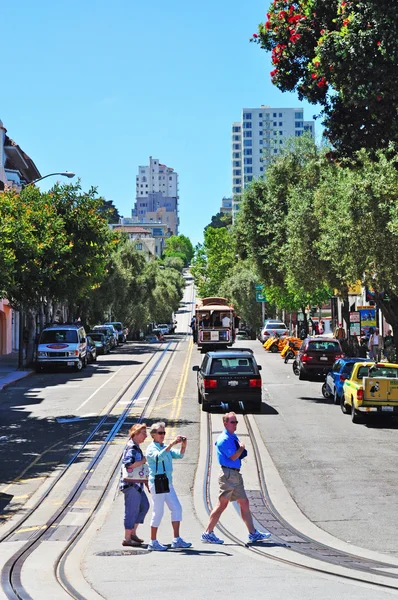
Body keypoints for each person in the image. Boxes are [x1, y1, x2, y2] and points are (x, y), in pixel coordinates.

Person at [201, 412, 271, 545]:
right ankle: (208, 532)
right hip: (228, 475)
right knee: (222, 504)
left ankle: (253, 533)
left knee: (244, 503)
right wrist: (242, 447)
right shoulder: (224, 439)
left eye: (236, 422)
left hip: (235, 475)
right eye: (232, 422)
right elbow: (233, 456)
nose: (235, 425)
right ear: (225, 423)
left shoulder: (232, 436)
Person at [146, 422, 191, 551]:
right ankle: (152, 541)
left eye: (164, 433)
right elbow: (158, 458)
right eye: (160, 433)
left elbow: (180, 455)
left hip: (167, 482)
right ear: (153, 435)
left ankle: (176, 539)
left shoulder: (164, 447)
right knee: (158, 512)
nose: (163, 435)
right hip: (157, 482)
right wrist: (172, 444)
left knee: (177, 508)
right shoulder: (151, 449)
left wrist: (183, 444)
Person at [120, 423, 150, 547]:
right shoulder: (132, 447)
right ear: (136, 434)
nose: (146, 436)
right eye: (143, 433)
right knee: (131, 511)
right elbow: (129, 464)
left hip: (137, 485)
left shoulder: (136, 446)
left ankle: (132, 533)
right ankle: (127, 538)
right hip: (131, 485)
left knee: (144, 506)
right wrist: (143, 461)